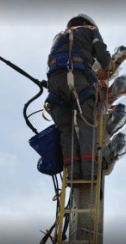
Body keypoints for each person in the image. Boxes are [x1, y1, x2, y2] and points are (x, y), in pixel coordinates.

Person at [46, 14, 114, 180]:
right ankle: (89, 171)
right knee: (87, 125)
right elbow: (104, 58)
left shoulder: (59, 35)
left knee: (66, 130)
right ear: (86, 23)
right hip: (77, 79)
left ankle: (72, 172)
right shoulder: (90, 30)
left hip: (55, 85)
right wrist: (108, 68)